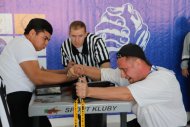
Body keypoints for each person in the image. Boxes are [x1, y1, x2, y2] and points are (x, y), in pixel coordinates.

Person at [73, 43, 187, 127]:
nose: (122, 75)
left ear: (138, 63)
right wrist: (81, 69)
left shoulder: (163, 79)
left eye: (124, 69)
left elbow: (127, 94)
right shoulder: (132, 75)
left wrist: (88, 91)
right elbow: (103, 73)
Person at [0, 18, 75, 127]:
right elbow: (38, 77)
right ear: (32, 33)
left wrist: (65, 71)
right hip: (17, 101)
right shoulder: (23, 44)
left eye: (48, 40)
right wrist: (70, 77)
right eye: (45, 38)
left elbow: (42, 72)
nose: (46, 43)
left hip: (20, 99)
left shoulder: (21, 44)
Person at [61, 20, 110, 127]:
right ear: (69, 34)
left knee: (97, 122)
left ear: (86, 34)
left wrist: (85, 71)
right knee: (83, 122)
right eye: (73, 36)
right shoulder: (65, 46)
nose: (77, 40)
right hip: (78, 90)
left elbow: (106, 70)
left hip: (97, 87)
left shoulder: (97, 41)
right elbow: (67, 72)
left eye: (80, 36)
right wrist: (69, 70)